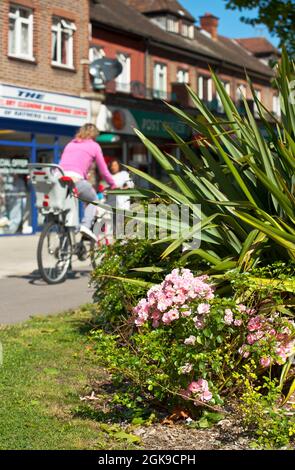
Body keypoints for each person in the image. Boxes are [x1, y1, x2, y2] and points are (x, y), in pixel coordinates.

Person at [59, 123, 115, 241]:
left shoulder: (70, 144)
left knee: (66, 207)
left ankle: (64, 235)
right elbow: (104, 171)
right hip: (76, 181)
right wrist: (112, 184)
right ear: (94, 135)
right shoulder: (94, 146)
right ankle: (85, 225)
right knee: (94, 200)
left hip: (60, 180)